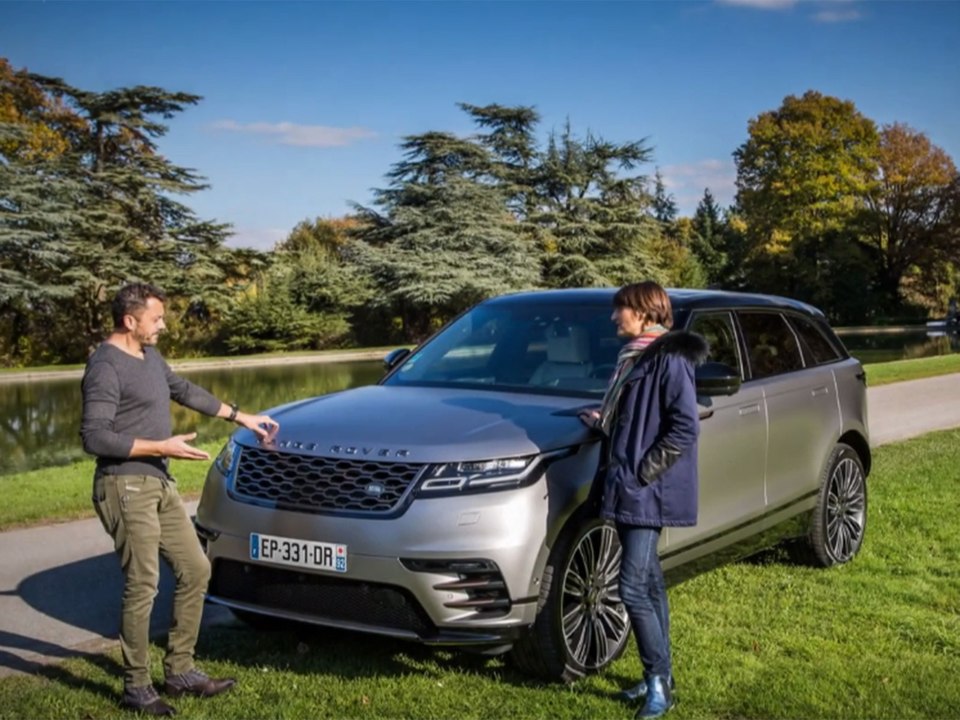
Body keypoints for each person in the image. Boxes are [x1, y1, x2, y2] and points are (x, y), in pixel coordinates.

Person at [81, 282, 279, 716]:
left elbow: (184, 390)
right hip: (124, 484)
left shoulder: (149, 357)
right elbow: (94, 437)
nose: (163, 326)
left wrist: (241, 417)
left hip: (158, 482)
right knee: (143, 584)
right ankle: (135, 686)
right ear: (130, 321)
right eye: (157, 318)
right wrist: (161, 447)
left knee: (195, 568)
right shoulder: (105, 366)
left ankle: (180, 670)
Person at [580, 281, 706, 720]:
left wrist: (641, 472)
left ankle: (658, 685)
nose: (616, 317)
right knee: (649, 584)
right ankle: (661, 678)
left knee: (631, 587)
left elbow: (685, 428)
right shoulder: (636, 356)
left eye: (622, 310)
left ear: (646, 313)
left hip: (645, 489)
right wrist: (604, 418)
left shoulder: (669, 359)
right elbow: (637, 417)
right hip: (633, 485)